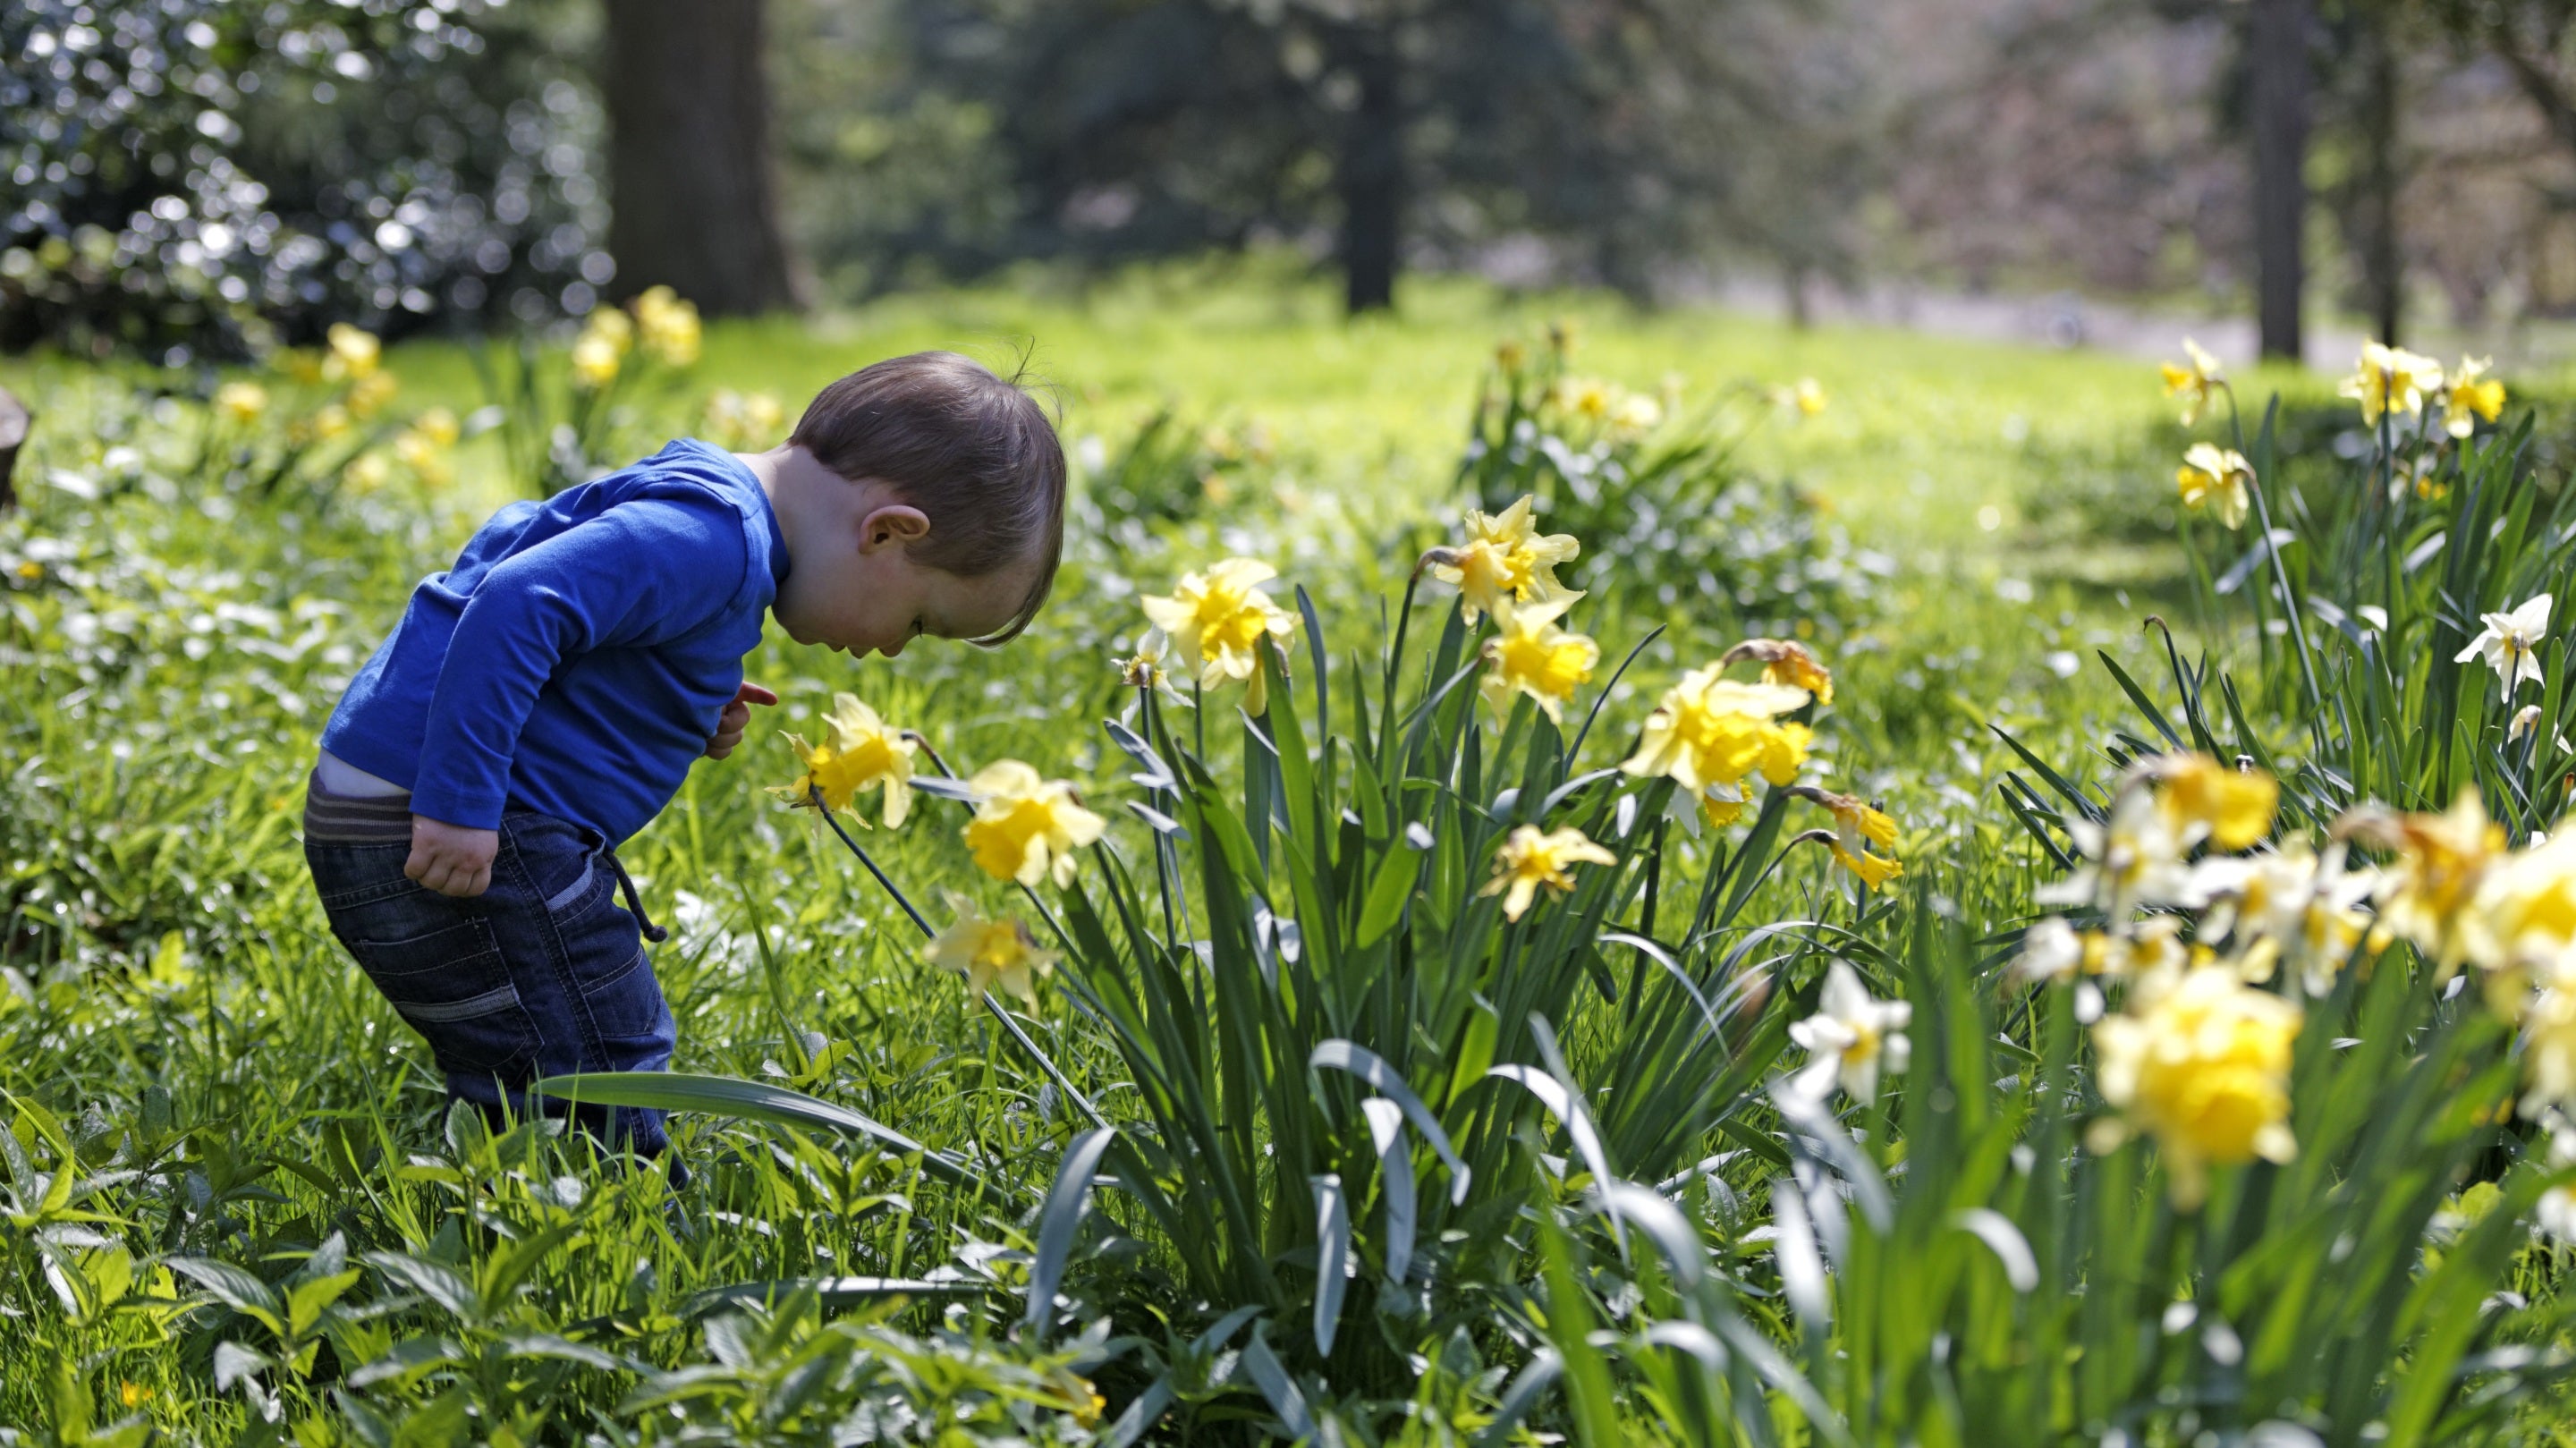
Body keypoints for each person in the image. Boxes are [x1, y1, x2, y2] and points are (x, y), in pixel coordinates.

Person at [302, 350, 1065, 1167]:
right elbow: (516, 604)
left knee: (529, 1041)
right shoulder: (712, 539)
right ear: (886, 532)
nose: (889, 651)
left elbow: (582, 623)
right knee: (604, 1049)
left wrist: (676, 690)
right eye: (918, 623)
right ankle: (611, 1222)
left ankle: (505, 1178)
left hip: (391, 809)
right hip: (449, 820)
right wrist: (458, 804)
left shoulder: (713, 510)